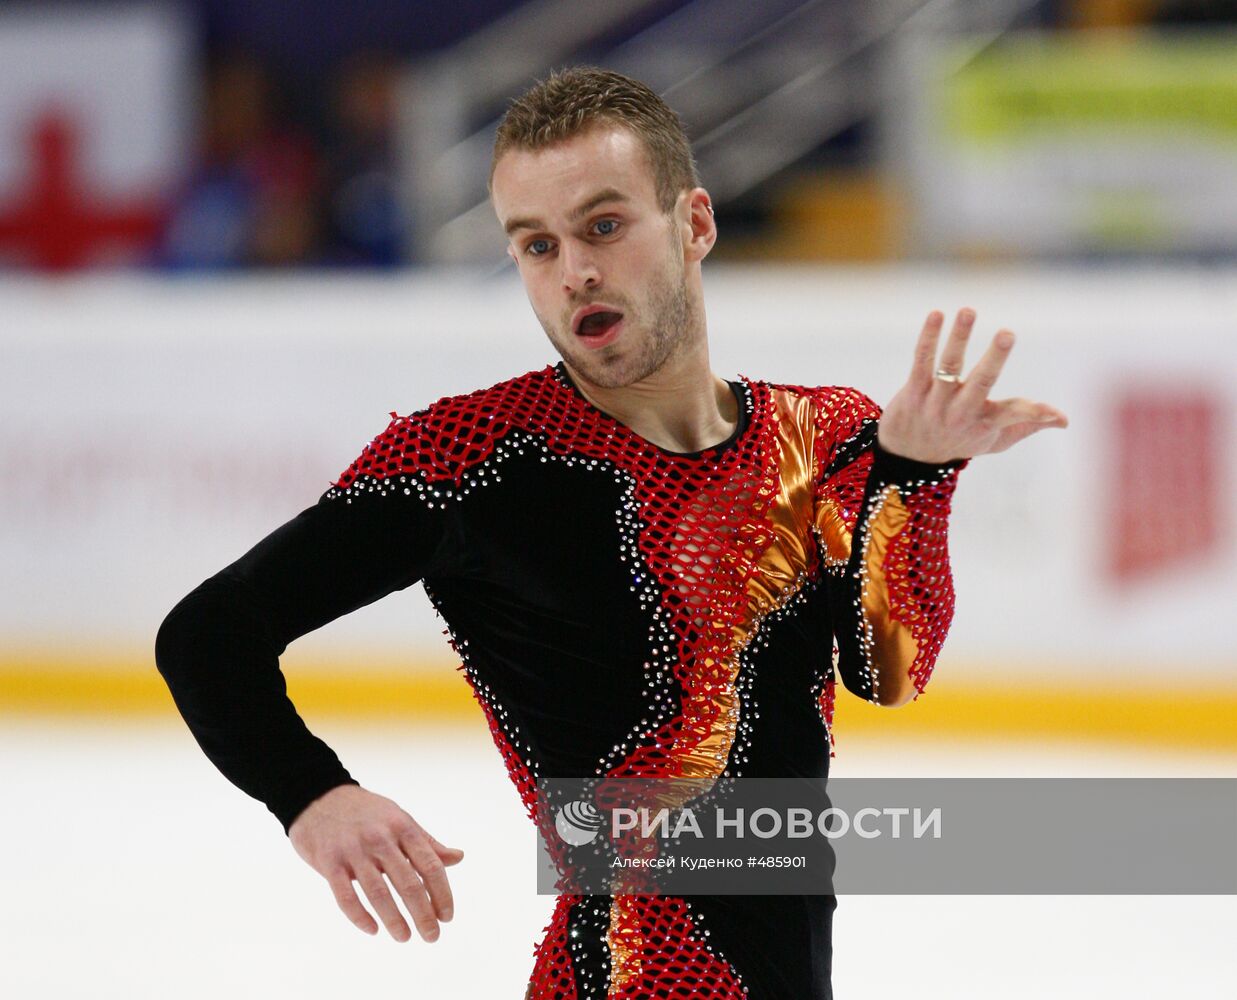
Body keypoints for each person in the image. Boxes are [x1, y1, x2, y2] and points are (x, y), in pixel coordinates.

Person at [155, 66, 1067, 999]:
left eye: (602, 226)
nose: (573, 272)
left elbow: (888, 675)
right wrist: (313, 794)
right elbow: (208, 633)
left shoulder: (818, 433)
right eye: (535, 246)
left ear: (695, 224)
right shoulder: (469, 455)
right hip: (628, 972)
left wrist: (913, 476)